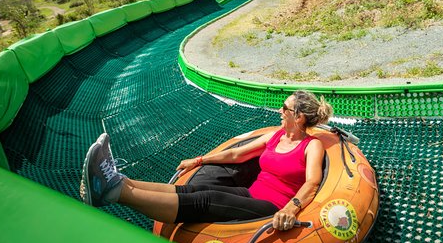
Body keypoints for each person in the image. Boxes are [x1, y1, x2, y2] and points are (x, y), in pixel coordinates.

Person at [80, 90, 332, 231]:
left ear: (298, 117)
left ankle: (114, 193)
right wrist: (199, 160)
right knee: (196, 188)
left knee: (207, 200)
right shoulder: (275, 135)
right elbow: (237, 154)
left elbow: (312, 182)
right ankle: (122, 180)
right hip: (251, 193)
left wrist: (290, 208)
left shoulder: (312, 145)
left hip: (272, 206)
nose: (280, 111)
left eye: (284, 108)